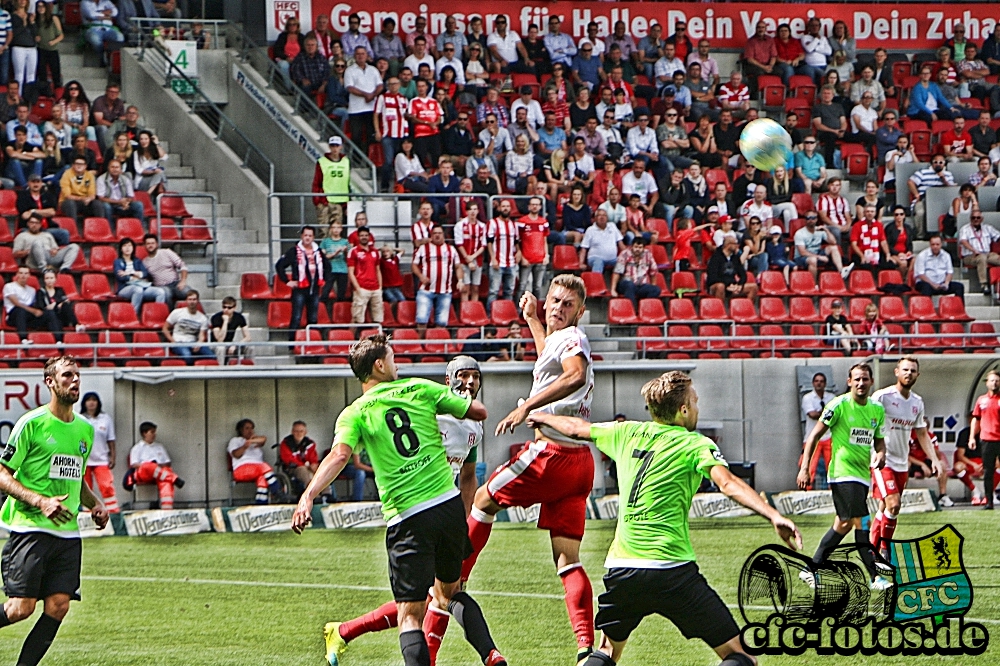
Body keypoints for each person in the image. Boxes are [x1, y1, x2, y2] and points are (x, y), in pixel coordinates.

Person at [532, 370, 801, 666]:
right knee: (740, 656)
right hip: (672, 569)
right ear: (683, 410)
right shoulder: (694, 444)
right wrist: (773, 515)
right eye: (695, 402)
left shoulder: (626, 432)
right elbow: (728, 483)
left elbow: (576, 427)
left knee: (606, 653)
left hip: (624, 568)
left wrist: (541, 415)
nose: (697, 407)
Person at [290, 335, 506, 666]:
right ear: (379, 365)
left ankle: (347, 632)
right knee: (449, 593)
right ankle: (490, 654)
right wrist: (449, 404)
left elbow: (339, 454)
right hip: (447, 508)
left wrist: (307, 497)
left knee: (411, 615)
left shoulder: (356, 412)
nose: (398, 364)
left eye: (474, 377)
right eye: (392, 358)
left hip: (408, 515)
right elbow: (479, 410)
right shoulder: (421, 389)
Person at [461, 277, 597, 662]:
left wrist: (526, 408)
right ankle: (586, 647)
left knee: (484, 498)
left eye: (568, 304)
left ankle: (456, 578)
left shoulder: (574, 339)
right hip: (579, 463)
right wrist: (533, 321)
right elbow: (549, 362)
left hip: (551, 455)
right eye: (555, 300)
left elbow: (574, 374)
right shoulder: (558, 338)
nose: (559, 307)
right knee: (568, 558)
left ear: (579, 312)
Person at [0, 356, 109, 666]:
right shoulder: (31, 423)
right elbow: (3, 474)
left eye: (77, 375)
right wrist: (41, 501)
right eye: (67, 375)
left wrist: (95, 505)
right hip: (29, 528)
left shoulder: (85, 431)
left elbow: (78, 479)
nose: (74, 381)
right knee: (21, 608)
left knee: (59, 606)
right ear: (50, 382)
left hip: (68, 532)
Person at [798, 364, 888, 588]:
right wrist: (804, 468)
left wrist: (881, 452)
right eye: (856, 379)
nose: (861, 383)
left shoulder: (877, 409)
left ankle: (811, 569)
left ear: (871, 382)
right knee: (862, 521)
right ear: (849, 381)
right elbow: (814, 436)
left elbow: (878, 438)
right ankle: (874, 576)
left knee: (843, 524)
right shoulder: (838, 405)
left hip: (862, 474)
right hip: (842, 473)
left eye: (865, 379)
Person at [869, 358, 940, 557]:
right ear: (896, 372)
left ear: (918, 375)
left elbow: (922, 433)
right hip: (883, 460)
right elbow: (867, 421)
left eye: (913, 370)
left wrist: (933, 458)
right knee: (894, 503)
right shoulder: (882, 397)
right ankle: (885, 549)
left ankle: (871, 550)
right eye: (905, 370)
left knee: (885, 508)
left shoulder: (917, 402)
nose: (908, 373)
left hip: (902, 463)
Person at [275, 225, 331, 331]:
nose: (307, 238)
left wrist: (324, 280)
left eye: (310, 235)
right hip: (299, 290)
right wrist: (287, 281)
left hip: (314, 289)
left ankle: (311, 343)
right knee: (296, 317)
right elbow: (279, 266)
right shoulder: (294, 251)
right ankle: (292, 345)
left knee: (313, 318)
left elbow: (328, 267)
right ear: (301, 236)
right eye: (305, 235)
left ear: (313, 237)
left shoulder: (318, 252)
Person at [412, 225, 462, 333]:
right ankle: (420, 345)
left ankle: (436, 346)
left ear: (443, 235)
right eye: (435, 233)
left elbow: (458, 266)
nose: (437, 235)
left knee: (442, 321)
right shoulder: (423, 248)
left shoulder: (451, 249)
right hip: (426, 290)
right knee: (421, 319)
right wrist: (421, 277)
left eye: (439, 233)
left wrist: (460, 280)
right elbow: (414, 265)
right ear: (431, 235)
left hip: (445, 291)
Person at [126, 421, 185, 509]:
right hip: (144, 473)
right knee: (148, 465)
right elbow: (134, 464)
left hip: (161, 475)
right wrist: (152, 466)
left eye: (154, 432)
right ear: (144, 433)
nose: (154, 434)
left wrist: (157, 467)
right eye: (152, 432)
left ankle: (167, 509)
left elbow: (167, 463)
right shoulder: (137, 448)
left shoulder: (159, 447)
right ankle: (174, 478)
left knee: (166, 481)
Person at [227, 419, 285, 505]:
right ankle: (277, 492)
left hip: (258, 470)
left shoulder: (254, 440)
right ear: (240, 430)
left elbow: (264, 439)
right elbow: (235, 455)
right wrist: (244, 447)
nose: (250, 431)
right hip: (241, 470)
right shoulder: (235, 440)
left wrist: (251, 441)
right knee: (263, 466)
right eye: (247, 428)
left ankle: (261, 504)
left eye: (251, 428)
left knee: (263, 479)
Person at [79, 391, 118, 515]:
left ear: (98, 403)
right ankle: (87, 514)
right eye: (88, 400)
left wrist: (113, 456)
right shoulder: (79, 418)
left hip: (101, 459)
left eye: (94, 400)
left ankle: (113, 513)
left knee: (106, 486)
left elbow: (111, 440)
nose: (91, 403)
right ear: (84, 403)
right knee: (86, 489)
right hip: (84, 460)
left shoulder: (105, 419)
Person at [801, 371, 838, 490]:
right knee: (810, 466)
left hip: (828, 436)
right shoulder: (807, 398)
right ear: (813, 383)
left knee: (833, 466)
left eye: (821, 382)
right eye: (816, 381)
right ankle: (806, 491)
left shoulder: (831, 397)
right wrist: (827, 413)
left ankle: (833, 491)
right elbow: (812, 414)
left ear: (825, 384)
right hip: (813, 436)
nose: (819, 384)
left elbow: (836, 415)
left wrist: (822, 413)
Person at [344, 47, 383, 154]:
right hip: (356, 109)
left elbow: (380, 85)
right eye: (358, 54)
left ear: (367, 55)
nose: (360, 56)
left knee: (371, 136)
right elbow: (350, 88)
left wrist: (373, 95)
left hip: (371, 108)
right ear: (354, 56)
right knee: (356, 136)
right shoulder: (350, 70)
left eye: (363, 54)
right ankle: (357, 159)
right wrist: (366, 95)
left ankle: (369, 159)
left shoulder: (373, 70)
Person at [970, 371, 1000, 510]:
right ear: (987, 382)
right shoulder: (981, 400)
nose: (994, 383)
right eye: (992, 380)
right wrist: (972, 437)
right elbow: (976, 418)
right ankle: (989, 501)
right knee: (988, 472)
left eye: (997, 380)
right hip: (987, 440)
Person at [13, 215, 79, 273]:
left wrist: (55, 250)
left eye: (37, 223)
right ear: (28, 224)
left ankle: (64, 268)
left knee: (74, 246)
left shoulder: (47, 235)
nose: (34, 225)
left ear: (40, 224)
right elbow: (15, 254)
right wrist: (27, 251)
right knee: (37, 242)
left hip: (49, 256)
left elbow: (55, 247)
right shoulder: (21, 236)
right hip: (33, 259)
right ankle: (44, 269)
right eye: (32, 223)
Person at [163, 290, 215, 364]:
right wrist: (173, 341)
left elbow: (202, 335)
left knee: (212, 356)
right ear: (186, 301)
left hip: (193, 342)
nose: (192, 302)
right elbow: (165, 328)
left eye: (194, 299)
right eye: (190, 299)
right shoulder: (177, 312)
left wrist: (199, 344)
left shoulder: (202, 318)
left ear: (197, 301)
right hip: (178, 342)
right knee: (187, 355)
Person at [908, 157, 956, 235]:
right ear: (931, 163)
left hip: (942, 200)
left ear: (944, 164)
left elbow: (951, 188)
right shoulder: (923, 172)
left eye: (941, 162)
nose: (938, 164)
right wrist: (916, 194)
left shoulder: (948, 174)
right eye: (935, 162)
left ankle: (942, 235)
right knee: (920, 212)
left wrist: (943, 178)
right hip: (923, 199)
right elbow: (910, 182)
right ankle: (920, 235)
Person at [794, 213, 851, 279]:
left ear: (816, 219)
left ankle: (841, 272)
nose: (811, 220)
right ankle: (813, 285)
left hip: (816, 253)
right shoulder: (800, 233)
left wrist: (826, 230)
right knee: (813, 260)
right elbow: (802, 252)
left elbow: (834, 242)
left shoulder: (819, 230)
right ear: (805, 220)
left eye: (813, 218)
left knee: (833, 248)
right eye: (808, 218)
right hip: (801, 258)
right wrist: (819, 257)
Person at [486, 199, 520, 309]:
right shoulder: (493, 223)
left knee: (509, 291)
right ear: (499, 208)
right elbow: (489, 242)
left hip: (511, 262)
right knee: (494, 291)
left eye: (508, 206)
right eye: (503, 206)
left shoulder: (514, 225)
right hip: (497, 261)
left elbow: (516, 241)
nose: (505, 208)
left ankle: (507, 313)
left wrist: (519, 251)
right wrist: (493, 258)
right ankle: (490, 315)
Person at [515, 197, 550, 302]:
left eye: (537, 204)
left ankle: (535, 313)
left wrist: (546, 255)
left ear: (540, 207)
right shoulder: (521, 222)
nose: (535, 206)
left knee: (537, 287)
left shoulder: (543, 222)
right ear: (529, 206)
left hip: (540, 259)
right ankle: (517, 312)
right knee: (522, 286)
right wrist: (522, 256)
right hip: (527, 259)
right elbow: (517, 241)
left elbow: (545, 240)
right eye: (532, 204)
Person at [958, 209, 1000, 294]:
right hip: (970, 256)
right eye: (973, 218)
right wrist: (973, 250)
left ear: (982, 219)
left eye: (978, 217)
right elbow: (963, 241)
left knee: (996, 258)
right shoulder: (965, 229)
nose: (976, 219)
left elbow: (998, 237)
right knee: (982, 258)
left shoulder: (987, 228)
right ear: (970, 219)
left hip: (987, 254)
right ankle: (984, 285)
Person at [610, 236, 659, 307]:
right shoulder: (624, 254)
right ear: (632, 246)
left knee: (656, 290)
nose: (637, 249)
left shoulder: (648, 255)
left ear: (643, 248)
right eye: (635, 247)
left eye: (640, 248)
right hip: (625, 284)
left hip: (641, 285)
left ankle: (644, 309)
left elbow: (653, 272)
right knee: (630, 285)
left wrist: (653, 285)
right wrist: (613, 290)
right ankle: (632, 310)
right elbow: (617, 272)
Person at [707, 236, 758, 302]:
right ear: (728, 245)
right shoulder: (716, 257)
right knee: (720, 286)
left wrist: (739, 285)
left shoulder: (735, 258)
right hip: (717, 285)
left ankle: (747, 309)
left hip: (732, 285)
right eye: (735, 244)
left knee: (753, 287)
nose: (737, 246)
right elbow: (712, 277)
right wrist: (727, 285)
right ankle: (720, 310)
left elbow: (743, 274)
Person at [142, 234, 188, 306]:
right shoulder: (144, 262)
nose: (150, 245)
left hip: (175, 283)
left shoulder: (167, 252)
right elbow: (146, 278)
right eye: (148, 243)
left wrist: (183, 281)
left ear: (157, 244)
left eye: (152, 243)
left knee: (188, 292)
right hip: (160, 286)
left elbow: (182, 266)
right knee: (166, 293)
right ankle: (170, 315)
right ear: (144, 245)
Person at [455, 201, 486, 303]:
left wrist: (473, 257)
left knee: (475, 288)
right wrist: (468, 259)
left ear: (478, 211)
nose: (473, 212)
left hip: (478, 259)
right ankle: (465, 312)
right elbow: (459, 244)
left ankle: (474, 311)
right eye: (470, 209)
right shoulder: (460, 225)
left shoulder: (482, 226)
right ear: (466, 211)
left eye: (475, 209)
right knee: (465, 288)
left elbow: (483, 245)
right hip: (464, 260)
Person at [913, 233, 961, 297]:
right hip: (927, 283)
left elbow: (949, 272)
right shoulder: (922, 255)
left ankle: (959, 306)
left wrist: (946, 283)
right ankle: (927, 307)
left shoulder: (946, 255)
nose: (935, 246)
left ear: (941, 244)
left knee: (959, 287)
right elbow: (921, 274)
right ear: (930, 244)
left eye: (937, 244)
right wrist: (933, 284)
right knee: (926, 287)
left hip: (942, 283)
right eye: (933, 244)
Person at [579, 208, 624, 274]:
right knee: (598, 262)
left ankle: (620, 283)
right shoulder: (590, 230)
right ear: (595, 218)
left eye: (604, 215)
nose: (602, 217)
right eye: (599, 215)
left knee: (622, 262)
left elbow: (621, 244)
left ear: (607, 218)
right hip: (595, 258)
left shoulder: (612, 226)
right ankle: (595, 283)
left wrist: (628, 255)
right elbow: (584, 248)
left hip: (613, 259)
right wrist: (581, 263)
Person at [278, 421, 319, 494]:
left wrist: (313, 464)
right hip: (293, 468)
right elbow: (289, 460)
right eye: (296, 431)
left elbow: (313, 458)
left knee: (321, 470)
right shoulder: (286, 443)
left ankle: (327, 494)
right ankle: (312, 493)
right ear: (292, 432)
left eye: (301, 431)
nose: (299, 433)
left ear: (305, 432)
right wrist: (306, 466)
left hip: (308, 467)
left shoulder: (310, 443)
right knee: (303, 470)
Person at [812, 85, 847, 168]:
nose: (826, 95)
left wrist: (842, 130)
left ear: (833, 95)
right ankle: (829, 164)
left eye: (828, 93)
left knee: (860, 137)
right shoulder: (817, 107)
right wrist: (834, 131)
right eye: (824, 93)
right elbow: (818, 125)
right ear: (821, 95)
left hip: (839, 132)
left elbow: (843, 121)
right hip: (825, 133)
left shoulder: (838, 107)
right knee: (830, 138)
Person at [210, 296, 251, 364]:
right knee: (221, 348)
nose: (226, 309)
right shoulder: (216, 317)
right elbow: (220, 339)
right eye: (224, 307)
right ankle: (220, 371)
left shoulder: (239, 317)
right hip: (216, 345)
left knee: (250, 347)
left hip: (231, 343)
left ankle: (250, 370)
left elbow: (248, 337)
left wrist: (236, 344)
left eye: (229, 308)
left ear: (234, 308)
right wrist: (225, 322)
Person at [58, 156, 97, 220]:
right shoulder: (66, 174)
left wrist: (89, 199)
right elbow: (67, 195)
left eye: (81, 164)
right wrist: (82, 198)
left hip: (84, 201)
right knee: (70, 203)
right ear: (73, 165)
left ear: (85, 166)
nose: (79, 166)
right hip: (67, 202)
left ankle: (99, 227)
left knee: (97, 204)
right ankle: (73, 228)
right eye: (77, 164)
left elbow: (92, 193)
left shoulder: (90, 175)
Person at [884, 206, 915, 280]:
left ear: (904, 215)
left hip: (905, 253)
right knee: (903, 263)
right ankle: (900, 279)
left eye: (901, 214)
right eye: (896, 214)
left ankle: (907, 279)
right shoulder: (889, 228)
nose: (899, 216)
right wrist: (898, 253)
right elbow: (887, 244)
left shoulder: (908, 228)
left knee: (914, 260)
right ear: (894, 216)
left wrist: (909, 251)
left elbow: (910, 243)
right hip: (894, 253)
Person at [91, 84, 124, 151]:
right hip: (96, 127)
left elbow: (122, 118)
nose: (113, 94)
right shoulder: (99, 101)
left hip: (112, 126)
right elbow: (99, 121)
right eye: (111, 92)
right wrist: (113, 126)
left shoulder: (119, 102)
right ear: (106, 92)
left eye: (115, 92)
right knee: (103, 128)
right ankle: (106, 151)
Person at [800, 18, 832, 83]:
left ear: (819, 27)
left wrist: (816, 48)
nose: (814, 27)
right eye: (812, 25)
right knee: (822, 75)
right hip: (811, 66)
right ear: (809, 27)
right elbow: (809, 49)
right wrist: (816, 39)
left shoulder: (823, 38)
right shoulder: (805, 37)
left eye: (816, 25)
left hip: (824, 65)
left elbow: (829, 52)